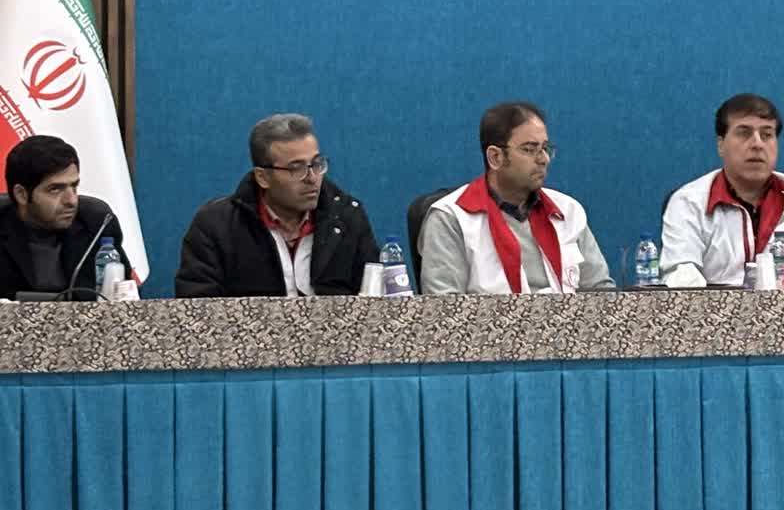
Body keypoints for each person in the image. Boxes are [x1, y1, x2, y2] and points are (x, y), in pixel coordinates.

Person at [419, 101, 612, 294]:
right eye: (529, 149)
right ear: (495, 157)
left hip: (568, 314)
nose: (543, 159)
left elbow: (600, 293)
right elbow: (444, 307)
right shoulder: (450, 218)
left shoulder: (568, 211)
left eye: (545, 148)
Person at [176, 114, 377, 297]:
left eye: (317, 164)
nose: (312, 178)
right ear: (263, 177)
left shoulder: (347, 217)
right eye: (296, 168)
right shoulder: (216, 226)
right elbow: (196, 310)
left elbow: (377, 301)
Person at [660, 94, 784, 288]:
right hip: (713, 307)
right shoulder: (688, 202)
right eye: (744, 133)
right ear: (721, 145)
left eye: (767, 135)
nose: (757, 144)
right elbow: (681, 279)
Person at [0, 135, 132, 300]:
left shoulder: (97, 224)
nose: (71, 201)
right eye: (55, 189)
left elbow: (122, 298)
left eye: (74, 186)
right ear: (21, 194)